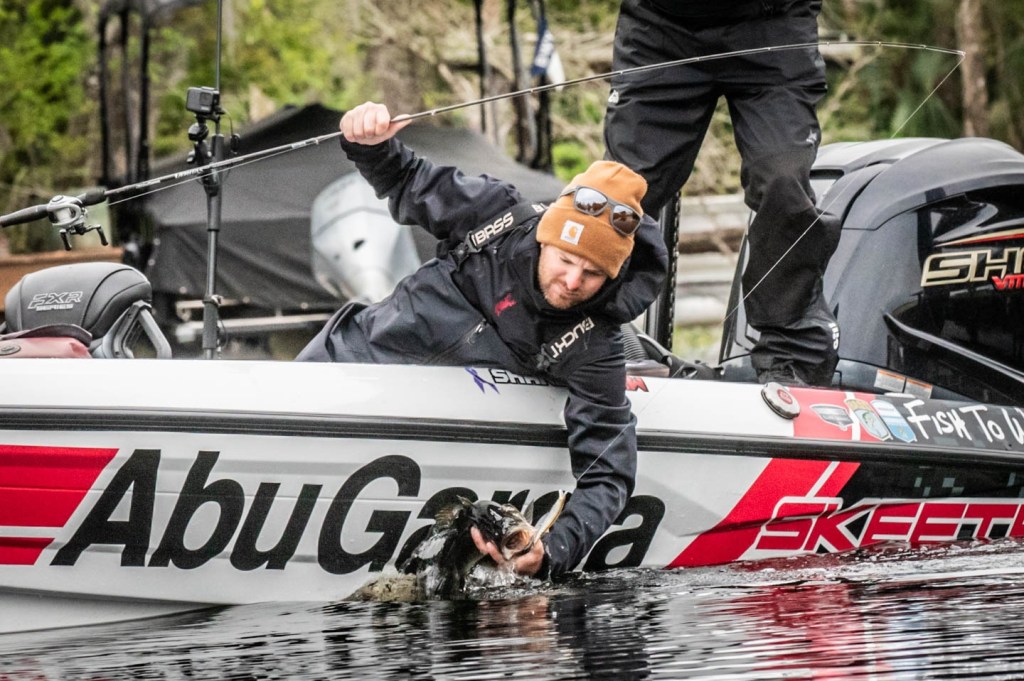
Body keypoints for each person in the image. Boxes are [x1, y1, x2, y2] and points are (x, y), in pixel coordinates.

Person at [297, 102, 669, 580]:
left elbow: (609, 473)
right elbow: (407, 178)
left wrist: (554, 551)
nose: (573, 281)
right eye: (564, 259)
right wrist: (367, 142)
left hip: (428, 433)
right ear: (545, 238)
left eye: (593, 272)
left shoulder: (595, 345)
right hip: (342, 361)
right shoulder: (494, 213)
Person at [603, 0, 841, 387]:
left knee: (782, 181)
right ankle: (582, 330)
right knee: (619, 191)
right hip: (661, 29)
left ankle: (792, 358)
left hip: (773, 28)